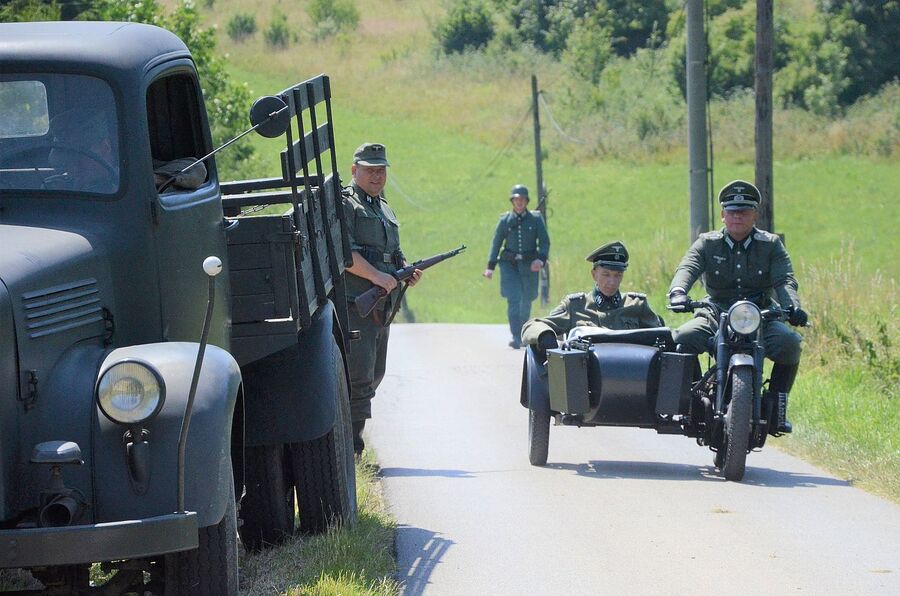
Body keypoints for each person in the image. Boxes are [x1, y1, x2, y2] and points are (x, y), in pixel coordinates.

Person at [667, 180, 807, 435]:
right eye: (732, 211)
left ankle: (777, 407)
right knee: (684, 338)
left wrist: (792, 306)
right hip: (716, 312)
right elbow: (687, 267)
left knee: (790, 344)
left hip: (760, 314)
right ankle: (692, 403)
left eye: (744, 211)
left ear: (755, 215)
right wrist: (678, 292)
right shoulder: (707, 243)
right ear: (723, 215)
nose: (737, 216)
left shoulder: (771, 244)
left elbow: (785, 279)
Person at [342, 142, 422, 456]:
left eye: (381, 170)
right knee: (359, 377)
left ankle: (351, 442)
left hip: (381, 305)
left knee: (375, 373)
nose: (377, 176)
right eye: (370, 170)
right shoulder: (347, 205)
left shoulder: (383, 207)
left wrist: (406, 270)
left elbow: (394, 251)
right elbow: (345, 254)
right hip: (357, 303)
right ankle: (352, 449)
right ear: (354, 170)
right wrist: (377, 276)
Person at [522, 241, 664, 357]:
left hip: (632, 376)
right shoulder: (576, 306)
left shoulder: (637, 305)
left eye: (618, 275)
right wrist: (545, 336)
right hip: (584, 378)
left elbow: (662, 335)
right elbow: (532, 325)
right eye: (606, 275)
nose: (612, 282)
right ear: (594, 274)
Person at [483, 184, 550, 349]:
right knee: (513, 298)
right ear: (512, 201)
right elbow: (496, 243)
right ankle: (515, 336)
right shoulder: (505, 220)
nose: (519, 202)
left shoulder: (535, 219)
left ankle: (523, 334)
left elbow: (544, 242)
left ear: (527, 201)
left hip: (529, 265)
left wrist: (540, 260)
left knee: (526, 299)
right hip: (509, 265)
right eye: (516, 199)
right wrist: (490, 267)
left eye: (522, 199)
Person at [45, 108, 118, 193]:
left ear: (106, 147)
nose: (73, 167)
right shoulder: (56, 186)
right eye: (67, 159)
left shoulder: (128, 184)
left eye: (81, 155)